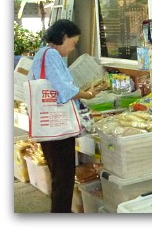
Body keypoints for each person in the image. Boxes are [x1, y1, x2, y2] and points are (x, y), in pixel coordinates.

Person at [28, 19, 106, 213]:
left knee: (59, 178)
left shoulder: (42, 53)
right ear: (64, 37)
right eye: (73, 43)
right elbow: (65, 90)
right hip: (57, 129)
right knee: (63, 179)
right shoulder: (52, 55)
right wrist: (88, 94)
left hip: (48, 127)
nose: (73, 48)